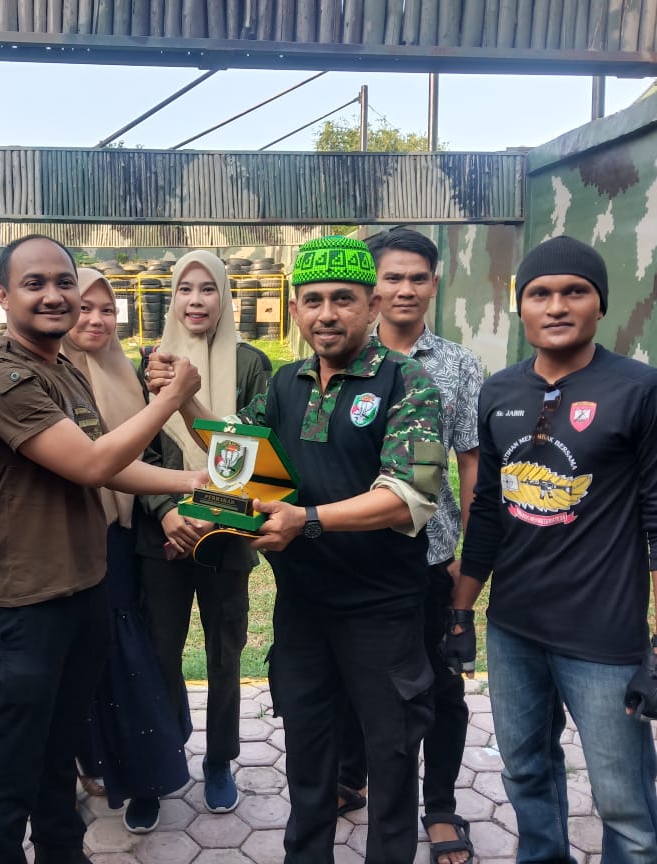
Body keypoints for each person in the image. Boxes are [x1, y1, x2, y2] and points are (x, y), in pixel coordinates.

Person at [149, 235, 445, 864]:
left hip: (381, 611)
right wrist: (184, 395)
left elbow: (412, 497)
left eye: (343, 299)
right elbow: (239, 455)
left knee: (391, 757)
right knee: (309, 757)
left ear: (371, 305)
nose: (326, 314)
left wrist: (306, 520)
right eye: (312, 300)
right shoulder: (287, 383)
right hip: (303, 608)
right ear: (295, 310)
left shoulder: (411, 383)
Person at [446, 236, 657, 864]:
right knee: (525, 772)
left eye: (575, 292)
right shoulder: (498, 392)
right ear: (521, 307)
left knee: (624, 804)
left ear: (600, 303)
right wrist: (461, 610)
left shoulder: (642, 390)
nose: (556, 306)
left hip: (603, 641)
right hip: (514, 631)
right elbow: (488, 511)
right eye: (540, 293)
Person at [0, 235, 207, 864]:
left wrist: (192, 480)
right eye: (34, 283)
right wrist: (170, 399)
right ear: (2, 296)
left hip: (84, 588)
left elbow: (110, 464)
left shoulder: (64, 370)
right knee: (12, 766)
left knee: (60, 746)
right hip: (26, 604)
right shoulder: (2, 378)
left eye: (63, 282)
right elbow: (93, 464)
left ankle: (61, 852)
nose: (54, 295)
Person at [334, 228, 482, 864]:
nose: (405, 289)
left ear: (434, 283)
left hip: (428, 557)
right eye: (391, 277)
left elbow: (470, 462)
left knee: (439, 688)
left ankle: (440, 805)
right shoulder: (341, 357)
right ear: (371, 290)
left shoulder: (457, 365)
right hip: (351, 557)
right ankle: (352, 776)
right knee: (352, 680)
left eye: (417, 277)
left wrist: (468, 554)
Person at [136, 250, 271, 818]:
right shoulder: (149, 364)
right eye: (185, 289)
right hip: (161, 538)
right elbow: (136, 446)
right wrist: (168, 512)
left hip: (227, 538)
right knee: (159, 654)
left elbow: (253, 451)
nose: (196, 300)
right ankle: (157, 763)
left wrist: (212, 518)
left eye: (208, 288)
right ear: (172, 297)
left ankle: (219, 759)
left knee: (224, 655)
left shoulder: (251, 364)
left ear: (224, 297)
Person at [62, 268, 192, 833]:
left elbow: (152, 455)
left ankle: (144, 777)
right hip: (66, 539)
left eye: (107, 310)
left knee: (134, 657)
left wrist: (169, 507)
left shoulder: (129, 374)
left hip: (124, 537)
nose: (96, 320)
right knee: (80, 661)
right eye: (83, 307)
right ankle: (89, 763)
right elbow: (94, 460)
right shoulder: (47, 374)